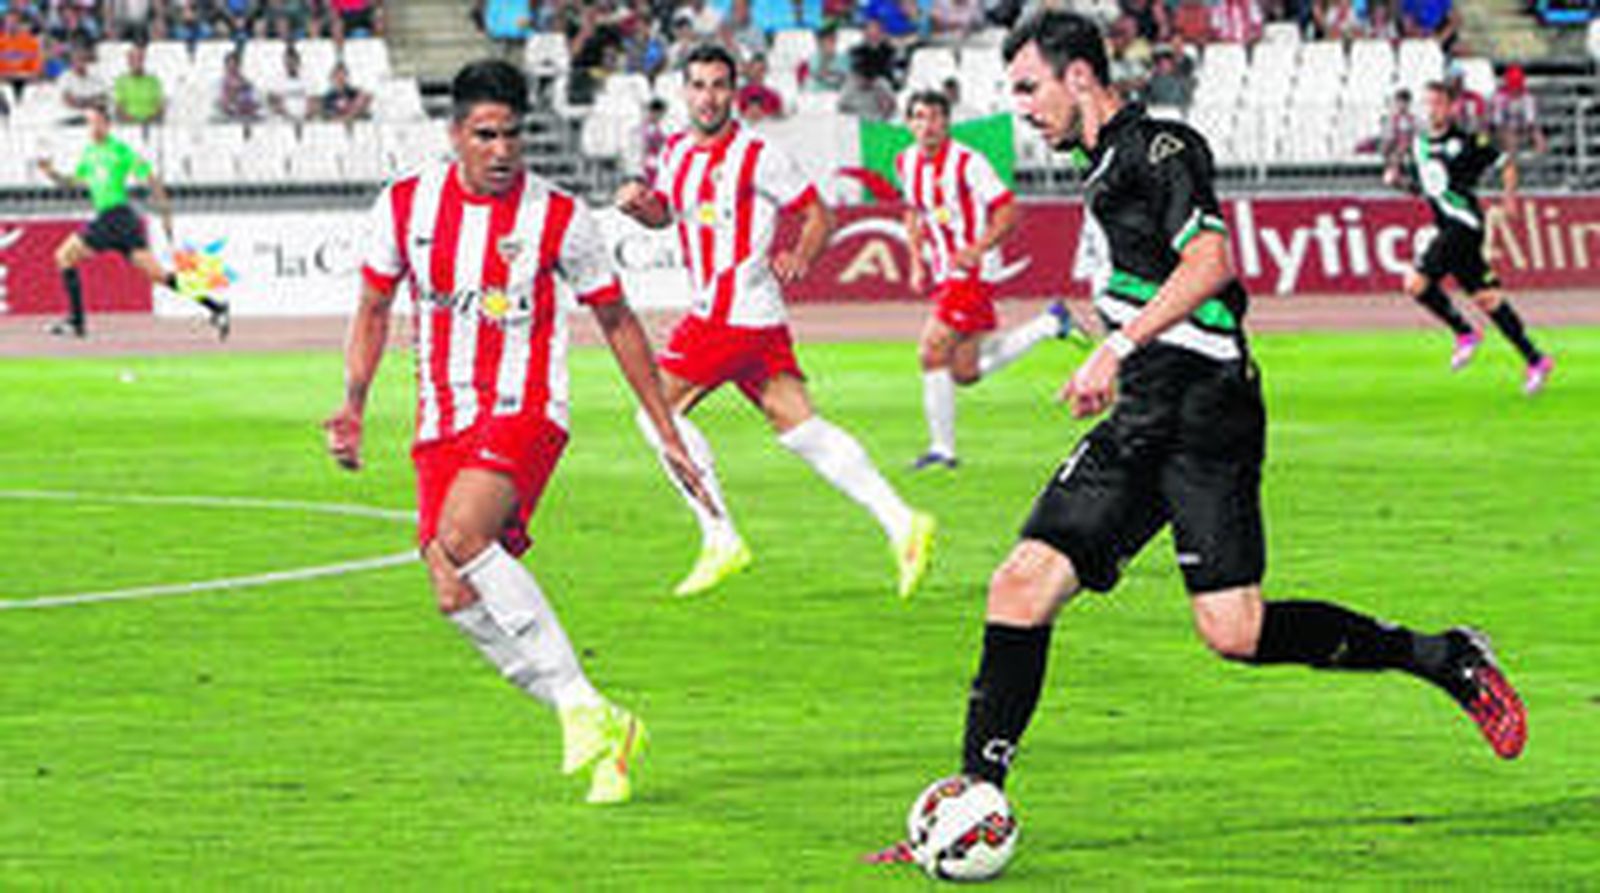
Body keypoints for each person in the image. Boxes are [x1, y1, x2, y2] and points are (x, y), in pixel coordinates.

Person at [869, 11, 1526, 863]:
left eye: (1028, 87)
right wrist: (1119, 357)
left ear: (1078, 76)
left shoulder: (1161, 149)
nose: (1021, 108)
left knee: (1235, 631)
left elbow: (1211, 263)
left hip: (1207, 414)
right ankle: (971, 805)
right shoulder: (1098, 164)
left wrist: (1113, 344)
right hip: (1140, 411)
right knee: (1020, 585)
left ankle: (1443, 655)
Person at [324, 59, 710, 806]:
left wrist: (667, 426)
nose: (502, 150)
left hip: (526, 406)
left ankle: (577, 701)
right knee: (451, 592)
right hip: (442, 421)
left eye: (513, 135)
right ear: (456, 134)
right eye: (486, 135)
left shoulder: (559, 215)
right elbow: (372, 308)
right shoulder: (404, 207)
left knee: (464, 536)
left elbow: (618, 319)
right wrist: (353, 404)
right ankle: (604, 720)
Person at [615, 44, 936, 599]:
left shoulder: (759, 154)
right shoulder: (674, 151)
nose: (709, 96)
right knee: (802, 429)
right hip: (750, 317)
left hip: (730, 311)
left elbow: (817, 212)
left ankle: (720, 535)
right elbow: (667, 214)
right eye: (699, 85)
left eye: (719, 85)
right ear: (684, 91)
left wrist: (803, 255)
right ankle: (902, 522)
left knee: (655, 414)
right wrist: (641, 207)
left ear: (733, 91)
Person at [897, 90, 1075, 470]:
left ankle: (942, 451)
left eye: (934, 117)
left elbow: (1008, 211)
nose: (926, 125)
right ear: (909, 123)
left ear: (947, 122)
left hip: (974, 271)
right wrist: (915, 259)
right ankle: (1049, 323)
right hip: (946, 270)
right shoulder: (906, 162)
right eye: (918, 117)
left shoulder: (967, 163)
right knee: (964, 371)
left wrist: (979, 247)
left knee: (931, 350)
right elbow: (912, 212)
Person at [1385, 81, 1553, 394]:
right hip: (1448, 226)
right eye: (1429, 103)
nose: (1432, 109)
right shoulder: (1419, 147)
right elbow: (1426, 190)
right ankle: (1535, 359)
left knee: (1416, 283)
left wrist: (1510, 198)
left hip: (1464, 224)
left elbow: (1506, 164)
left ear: (1452, 107)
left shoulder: (1468, 141)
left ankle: (1465, 333)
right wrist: (1398, 182)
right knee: (1488, 299)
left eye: (1438, 103)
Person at [35, 102, 230, 339]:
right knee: (159, 275)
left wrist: (166, 213)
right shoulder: (89, 153)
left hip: (117, 216)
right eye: (90, 123)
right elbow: (74, 182)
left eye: (97, 122)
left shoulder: (120, 150)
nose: (93, 127)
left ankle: (77, 322)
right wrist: (51, 173)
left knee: (64, 256)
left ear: (107, 125)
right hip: (117, 221)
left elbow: (150, 177)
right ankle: (216, 307)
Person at [1489, 64, 1546, 156]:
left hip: (1521, 128)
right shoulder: (1499, 98)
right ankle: (1511, 163)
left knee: (1538, 135)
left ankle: (1539, 159)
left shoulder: (1527, 98)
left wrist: (1525, 129)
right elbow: (1497, 122)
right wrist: (1509, 129)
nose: (1515, 90)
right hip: (1503, 129)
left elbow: (1530, 121)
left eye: (1517, 86)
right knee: (1509, 137)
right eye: (1513, 86)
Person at [112, 43, 164, 124]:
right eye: (133, 59)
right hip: (128, 125)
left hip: (151, 124)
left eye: (140, 59)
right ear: (129, 62)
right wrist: (133, 120)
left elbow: (159, 106)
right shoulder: (121, 81)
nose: (137, 62)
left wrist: (148, 120)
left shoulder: (154, 81)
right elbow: (119, 108)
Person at [266, 43, 313, 122]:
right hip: (284, 120)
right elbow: (271, 99)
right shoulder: (278, 80)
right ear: (284, 63)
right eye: (288, 62)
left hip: (304, 120)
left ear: (298, 62)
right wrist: (278, 108)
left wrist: (307, 114)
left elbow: (312, 102)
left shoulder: (307, 79)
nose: (290, 64)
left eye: (293, 61)